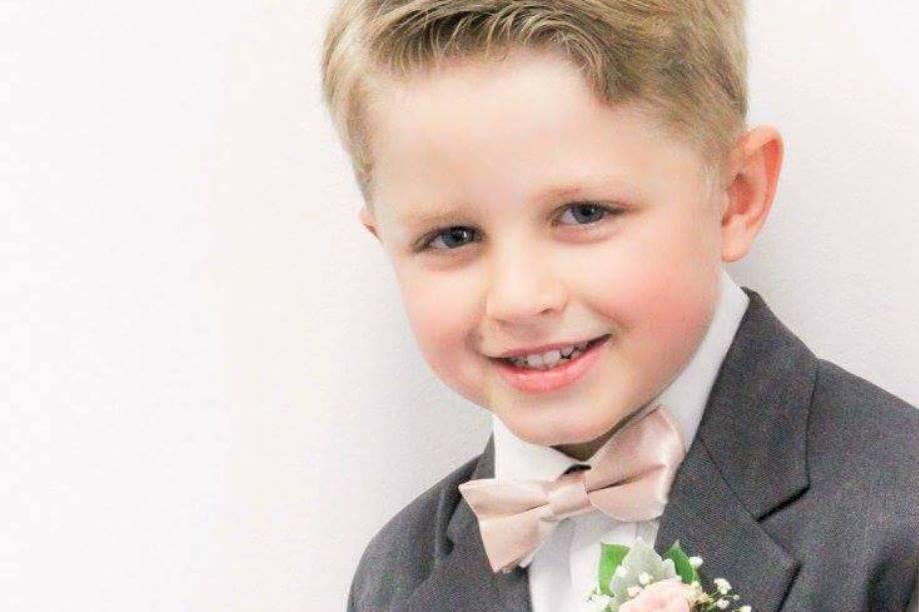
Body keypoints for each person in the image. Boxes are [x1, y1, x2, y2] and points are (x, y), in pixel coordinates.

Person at [319, 1, 919, 610]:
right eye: (453, 237)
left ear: (736, 198)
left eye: (585, 213)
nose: (520, 299)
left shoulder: (901, 519)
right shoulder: (396, 576)